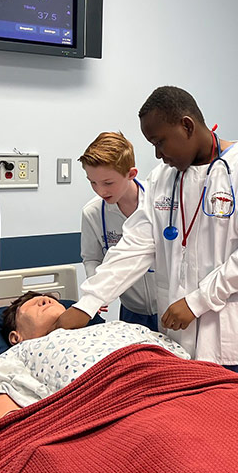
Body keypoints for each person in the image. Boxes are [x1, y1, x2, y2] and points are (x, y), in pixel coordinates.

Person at [55, 86, 238, 376]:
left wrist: (197, 301)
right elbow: (135, 245)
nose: (157, 154)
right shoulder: (163, 179)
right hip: (181, 337)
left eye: (160, 141)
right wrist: (89, 302)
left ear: (187, 126)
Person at [0, 292, 189, 425]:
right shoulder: (21, 352)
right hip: (118, 406)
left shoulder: (118, 327)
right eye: (33, 304)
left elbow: (181, 359)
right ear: (15, 336)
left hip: (176, 386)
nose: (44, 300)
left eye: (50, 299)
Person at [79, 131, 158, 331]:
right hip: (131, 309)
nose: (100, 191)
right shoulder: (93, 213)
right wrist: (95, 286)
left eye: (108, 183)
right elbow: (91, 258)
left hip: (168, 307)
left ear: (131, 174)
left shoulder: (159, 205)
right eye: (92, 182)